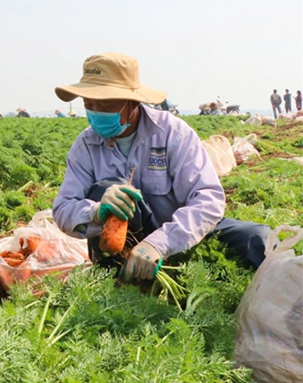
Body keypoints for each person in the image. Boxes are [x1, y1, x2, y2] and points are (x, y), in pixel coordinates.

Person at [52, 52, 270, 280]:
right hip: (124, 244)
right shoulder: (85, 145)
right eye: (89, 104)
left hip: (179, 234)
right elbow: (63, 208)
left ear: (133, 102)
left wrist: (159, 244)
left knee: (255, 238)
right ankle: (116, 277)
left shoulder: (173, 133)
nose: (96, 111)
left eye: (105, 104)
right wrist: (95, 212)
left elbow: (208, 199)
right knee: (107, 189)